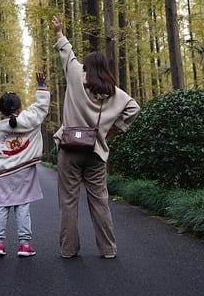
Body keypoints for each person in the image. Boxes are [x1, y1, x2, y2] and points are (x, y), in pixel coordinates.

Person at [52, 15, 140, 259]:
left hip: (69, 150)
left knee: (68, 202)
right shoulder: (114, 93)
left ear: (86, 68)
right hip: (96, 152)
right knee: (100, 201)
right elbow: (134, 108)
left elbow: (67, 52)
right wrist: (110, 130)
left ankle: (69, 250)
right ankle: (108, 249)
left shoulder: (75, 77)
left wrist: (60, 31)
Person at [0, 72, 50, 257]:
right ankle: (24, 245)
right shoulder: (28, 120)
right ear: (20, 108)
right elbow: (41, 108)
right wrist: (42, 86)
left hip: (3, 174)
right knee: (22, 206)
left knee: (1, 206)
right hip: (25, 172)